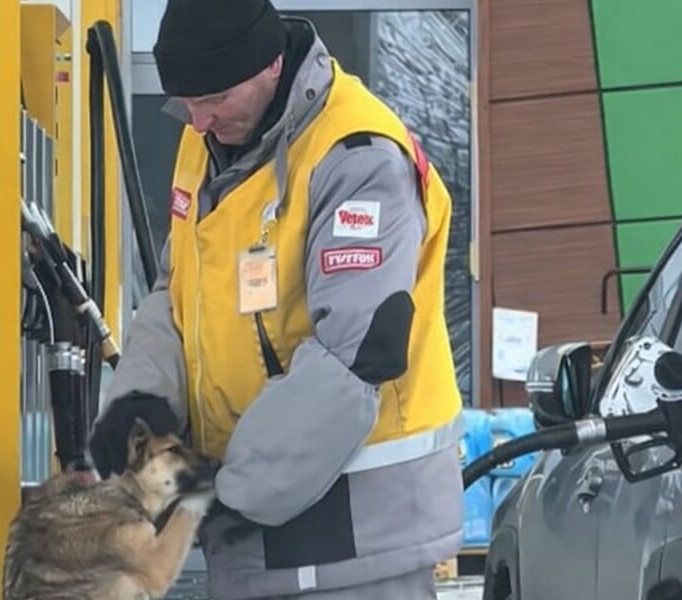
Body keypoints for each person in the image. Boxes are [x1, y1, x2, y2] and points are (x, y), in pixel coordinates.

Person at [89, 0, 465, 598]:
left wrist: (225, 490)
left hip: (351, 535)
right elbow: (176, 288)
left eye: (214, 100)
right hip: (252, 529)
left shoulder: (356, 156)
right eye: (185, 104)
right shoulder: (206, 139)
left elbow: (357, 349)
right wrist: (142, 398)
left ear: (268, 65)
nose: (199, 121)